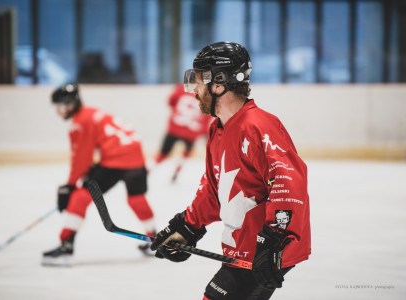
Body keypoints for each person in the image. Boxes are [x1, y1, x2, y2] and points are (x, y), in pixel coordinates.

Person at [150, 42, 311, 299]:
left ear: (219, 83)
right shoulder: (218, 128)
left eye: (199, 80)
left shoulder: (258, 126)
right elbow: (215, 189)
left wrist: (273, 242)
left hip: (260, 251)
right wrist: (188, 227)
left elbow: (287, 184)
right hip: (242, 249)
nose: (194, 90)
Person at [43, 83, 156, 266]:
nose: (60, 111)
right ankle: (154, 239)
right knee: (136, 198)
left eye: (61, 106)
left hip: (115, 162)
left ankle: (66, 245)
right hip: (136, 158)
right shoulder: (93, 112)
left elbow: (82, 158)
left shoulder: (80, 123)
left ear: (71, 104)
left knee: (80, 196)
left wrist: (70, 185)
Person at [154, 83, 212, 182]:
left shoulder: (182, 88)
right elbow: (207, 116)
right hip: (192, 131)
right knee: (186, 153)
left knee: (163, 154)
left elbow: (171, 101)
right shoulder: (208, 94)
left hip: (175, 127)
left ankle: (149, 170)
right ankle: (177, 171)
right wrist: (202, 132)